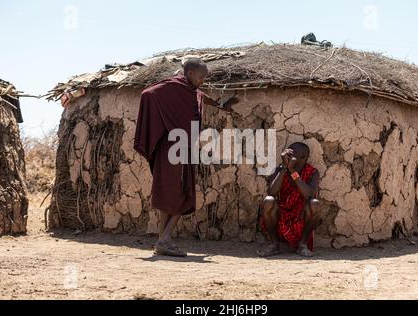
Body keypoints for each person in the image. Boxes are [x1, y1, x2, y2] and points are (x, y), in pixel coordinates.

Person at [134, 58, 238, 257]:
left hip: (182, 147)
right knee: (183, 192)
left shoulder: (188, 88)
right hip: (172, 147)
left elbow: (199, 96)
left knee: (170, 193)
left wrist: (219, 105)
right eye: (201, 77)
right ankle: (165, 239)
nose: (203, 81)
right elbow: (147, 93)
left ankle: (163, 240)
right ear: (189, 73)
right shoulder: (172, 86)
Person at [257, 142, 322, 258]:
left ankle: (302, 244)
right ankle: (274, 244)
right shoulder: (280, 169)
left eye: (291, 155)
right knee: (268, 201)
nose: (287, 157)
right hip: (281, 215)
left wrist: (293, 172)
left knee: (315, 204)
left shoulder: (312, 173)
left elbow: (309, 195)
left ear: (303, 158)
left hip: (300, 216)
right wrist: (284, 169)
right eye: (287, 153)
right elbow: (271, 192)